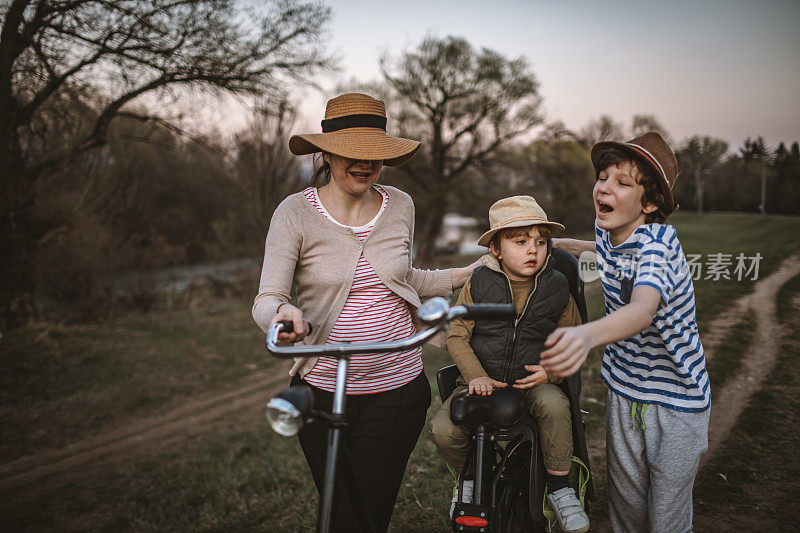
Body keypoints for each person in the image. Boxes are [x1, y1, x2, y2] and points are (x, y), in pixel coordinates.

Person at [252, 92, 479, 532]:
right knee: (341, 511)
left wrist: (467, 273)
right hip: (322, 392)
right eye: (351, 153)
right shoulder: (294, 213)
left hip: (397, 391)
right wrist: (282, 315)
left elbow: (402, 278)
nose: (364, 163)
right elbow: (267, 297)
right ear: (326, 152)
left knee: (367, 513)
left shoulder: (401, 205)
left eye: (374, 153)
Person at [541, 132, 710, 532]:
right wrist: (552, 244)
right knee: (627, 509)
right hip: (625, 389)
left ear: (648, 203)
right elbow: (605, 253)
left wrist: (585, 336)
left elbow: (641, 310)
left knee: (665, 516)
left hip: (675, 402)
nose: (605, 186)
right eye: (603, 176)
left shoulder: (658, 246)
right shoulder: (609, 230)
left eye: (623, 182)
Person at [429, 195, 590, 533]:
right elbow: (457, 336)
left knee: (555, 406)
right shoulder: (478, 283)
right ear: (497, 250)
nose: (533, 250)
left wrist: (552, 372)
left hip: (534, 380)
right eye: (520, 242)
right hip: (480, 378)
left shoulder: (557, 286)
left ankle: (560, 488)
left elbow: (572, 338)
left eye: (541, 242)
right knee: (444, 430)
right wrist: (475, 376)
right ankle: (470, 477)